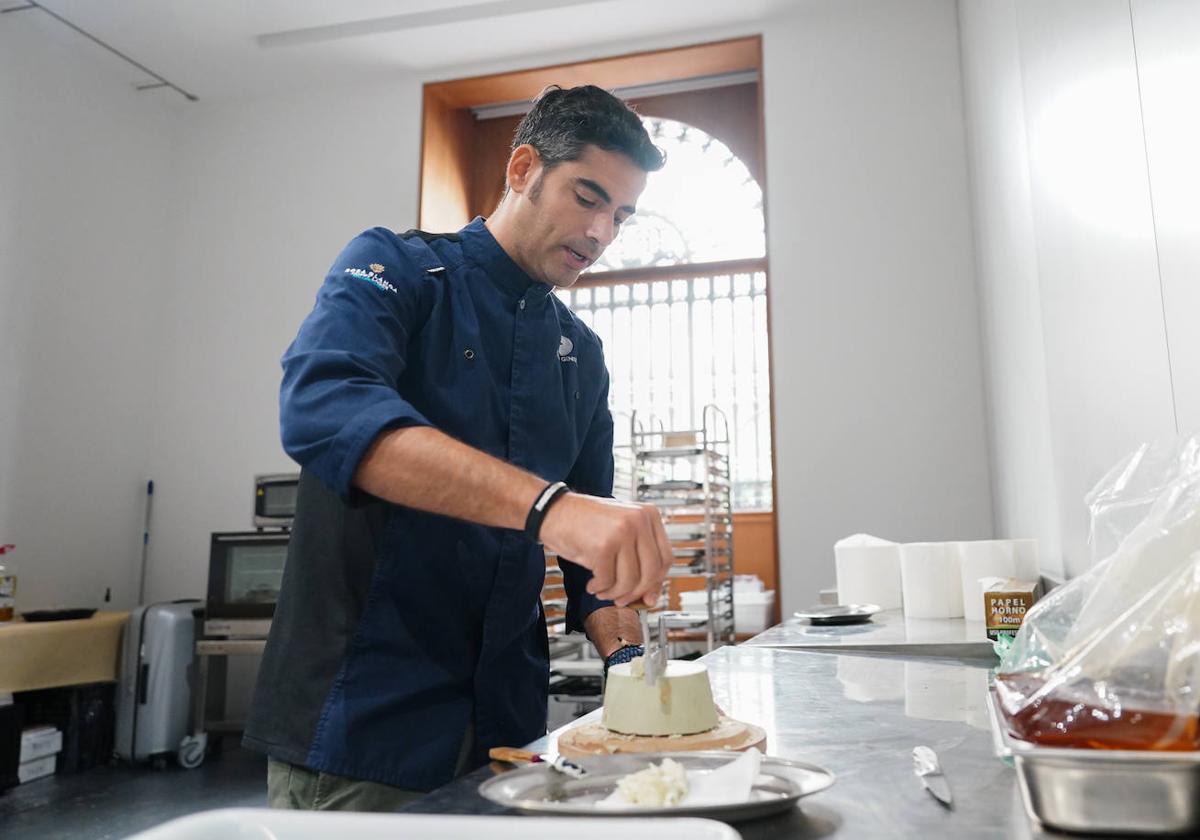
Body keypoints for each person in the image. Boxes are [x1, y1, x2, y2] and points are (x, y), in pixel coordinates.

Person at [243, 84, 672, 812]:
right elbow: (327, 410)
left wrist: (633, 666)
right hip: (365, 728)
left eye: (621, 216)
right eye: (587, 197)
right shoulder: (395, 269)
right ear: (522, 169)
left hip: (508, 735)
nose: (602, 234)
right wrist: (550, 508)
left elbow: (593, 561)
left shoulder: (582, 355)